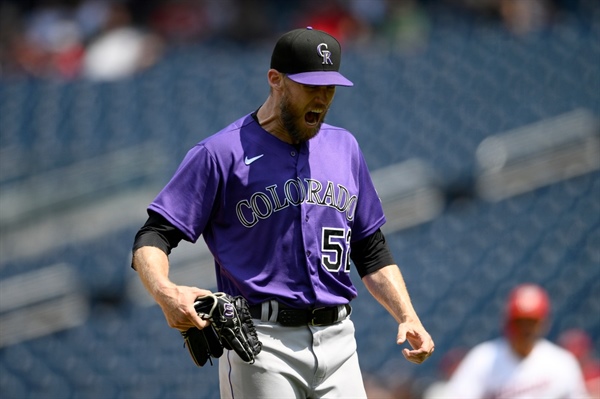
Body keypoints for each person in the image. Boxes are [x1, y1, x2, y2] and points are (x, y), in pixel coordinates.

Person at [131, 26, 434, 398]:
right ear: (276, 80)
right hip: (261, 343)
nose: (322, 98)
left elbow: (370, 248)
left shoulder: (345, 148)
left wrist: (407, 314)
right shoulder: (220, 153)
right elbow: (153, 235)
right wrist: (165, 292)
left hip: (339, 340)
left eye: (330, 87)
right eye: (311, 86)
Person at [444, 283, 589, 399]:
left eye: (532, 322)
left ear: (544, 323)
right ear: (508, 321)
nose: (526, 328)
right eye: (520, 321)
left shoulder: (562, 362)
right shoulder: (483, 359)